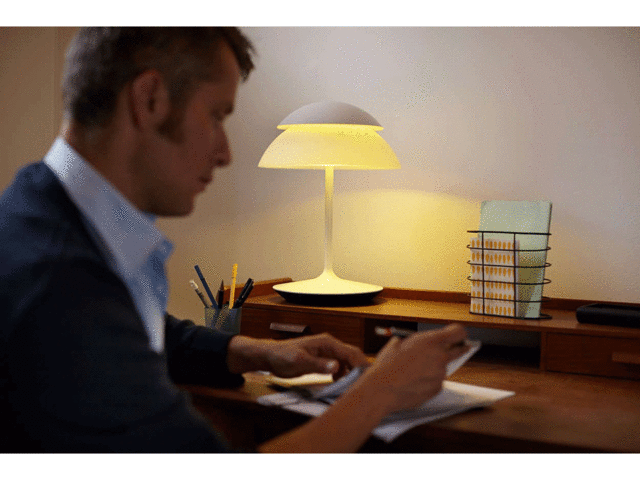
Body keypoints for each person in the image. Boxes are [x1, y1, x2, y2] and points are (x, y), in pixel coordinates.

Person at [0, 27, 469, 453]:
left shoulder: (40, 214)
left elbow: (144, 333)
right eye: (216, 116)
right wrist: (381, 391)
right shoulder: (58, 283)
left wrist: (256, 351)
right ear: (149, 99)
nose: (225, 153)